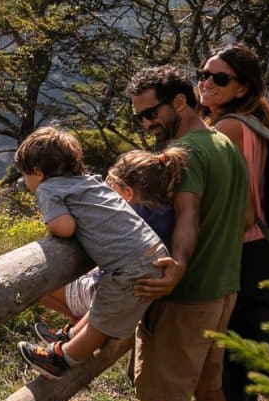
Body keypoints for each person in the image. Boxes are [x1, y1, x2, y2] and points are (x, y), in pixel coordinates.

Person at [117, 65, 250, 401]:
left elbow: (187, 216)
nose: (146, 124)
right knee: (209, 387)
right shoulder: (222, 143)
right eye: (140, 117)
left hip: (187, 296)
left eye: (150, 113)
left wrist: (175, 271)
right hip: (223, 288)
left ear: (179, 102)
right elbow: (242, 211)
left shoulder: (184, 153)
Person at [11, 127, 170, 379]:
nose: (25, 181)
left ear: (38, 173)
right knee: (103, 304)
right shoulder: (89, 181)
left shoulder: (48, 189)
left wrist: (52, 223)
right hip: (153, 251)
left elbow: (64, 228)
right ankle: (70, 336)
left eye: (25, 175)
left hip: (132, 264)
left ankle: (61, 359)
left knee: (102, 320)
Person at [196, 43, 269, 401]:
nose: (207, 83)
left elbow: (242, 209)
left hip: (241, 254)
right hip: (262, 253)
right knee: (244, 351)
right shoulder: (255, 123)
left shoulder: (229, 129)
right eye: (204, 73)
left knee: (230, 356)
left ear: (242, 88)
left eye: (220, 78)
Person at [31, 147, 186, 347]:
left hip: (119, 292)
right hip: (135, 293)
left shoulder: (130, 218)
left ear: (127, 193)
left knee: (39, 284)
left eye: (109, 186)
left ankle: (78, 337)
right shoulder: (165, 214)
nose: (103, 191)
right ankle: (77, 333)